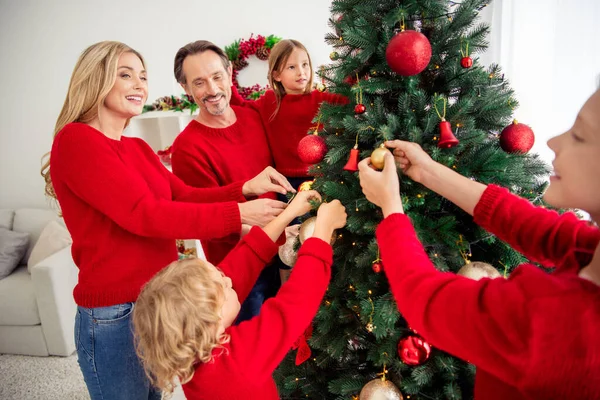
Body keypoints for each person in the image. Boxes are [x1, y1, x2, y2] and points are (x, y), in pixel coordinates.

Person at [42, 41, 293, 400]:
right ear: (96, 78)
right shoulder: (77, 140)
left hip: (156, 306)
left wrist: (245, 189)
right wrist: (237, 214)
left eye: (143, 76)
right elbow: (145, 214)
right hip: (115, 315)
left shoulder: (137, 149)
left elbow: (184, 196)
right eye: (125, 74)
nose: (139, 84)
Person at [357, 88, 600, 399]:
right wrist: (427, 171)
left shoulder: (565, 325)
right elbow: (529, 224)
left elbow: (426, 298)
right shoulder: (591, 250)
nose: (555, 142)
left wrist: (389, 204)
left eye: (579, 135)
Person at [132, 191, 347, 400]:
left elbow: (242, 262)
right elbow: (294, 304)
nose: (227, 280)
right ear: (210, 323)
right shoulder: (239, 358)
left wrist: (289, 214)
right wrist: (322, 232)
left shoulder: (191, 352)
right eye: (222, 286)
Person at [170, 40, 291, 322]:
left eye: (216, 77)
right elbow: (206, 221)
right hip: (242, 273)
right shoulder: (187, 148)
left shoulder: (254, 117)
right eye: (199, 83)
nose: (212, 90)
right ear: (186, 89)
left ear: (229, 73)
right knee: (255, 356)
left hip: (287, 254)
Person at [230, 39, 348, 185]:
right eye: (292, 67)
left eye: (305, 65)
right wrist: (227, 83)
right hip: (284, 180)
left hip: (322, 176)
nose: (301, 72)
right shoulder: (269, 102)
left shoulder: (320, 98)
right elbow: (241, 108)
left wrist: (356, 69)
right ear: (276, 75)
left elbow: (347, 99)